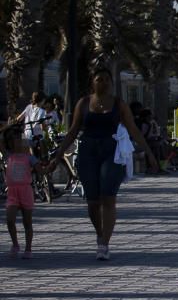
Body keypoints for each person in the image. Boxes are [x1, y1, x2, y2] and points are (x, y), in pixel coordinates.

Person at [51, 67, 160, 261]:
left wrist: (150, 154)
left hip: (111, 151)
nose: (104, 82)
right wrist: (58, 156)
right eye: (99, 79)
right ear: (92, 82)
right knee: (93, 201)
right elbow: (73, 131)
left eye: (107, 79)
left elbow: (133, 130)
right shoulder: (83, 104)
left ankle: (104, 244)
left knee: (108, 197)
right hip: (88, 152)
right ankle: (100, 233)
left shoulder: (119, 105)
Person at [0, 123, 45, 259]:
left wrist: (45, 169)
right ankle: (15, 244)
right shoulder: (8, 156)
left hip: (26, 191)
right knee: (9, 219)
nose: (17, 143)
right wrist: (8, 127)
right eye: (13, 141)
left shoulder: (29, 157)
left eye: (19, 140)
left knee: (27, 222)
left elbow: (40, 170)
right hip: (12, 192)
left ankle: (28, 248)